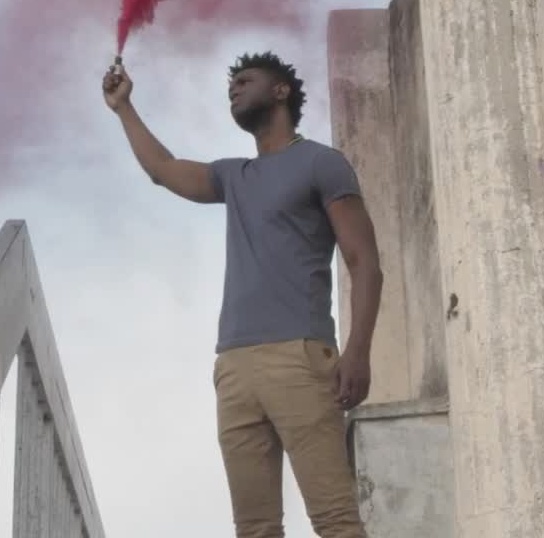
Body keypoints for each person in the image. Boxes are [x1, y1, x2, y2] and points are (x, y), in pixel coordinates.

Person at [101, 51, 382, 538]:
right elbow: (163, 169)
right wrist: (124, 107)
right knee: (253, 528)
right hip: (233, 366)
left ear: (281, 91)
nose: (233, 87)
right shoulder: (234, 175)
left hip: (300, 356)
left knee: (335, 520)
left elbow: (364, 262)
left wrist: (358, 350)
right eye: (230, 83)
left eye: (245, 80)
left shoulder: (322, 163)